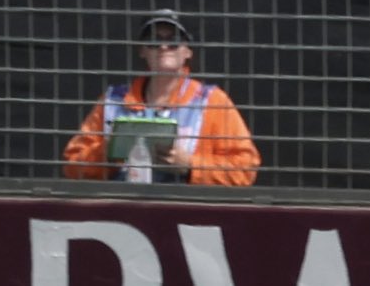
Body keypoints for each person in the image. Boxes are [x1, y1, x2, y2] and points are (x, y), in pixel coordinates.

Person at [63, 10, 260, 187]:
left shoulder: (212, 101)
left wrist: (190, 165)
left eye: (174, 40)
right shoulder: (113, 101)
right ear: (142, 50)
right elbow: (72, 165)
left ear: (187, 51)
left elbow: (245, 169)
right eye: (154, 40)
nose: (164, 47)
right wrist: (107, 154)